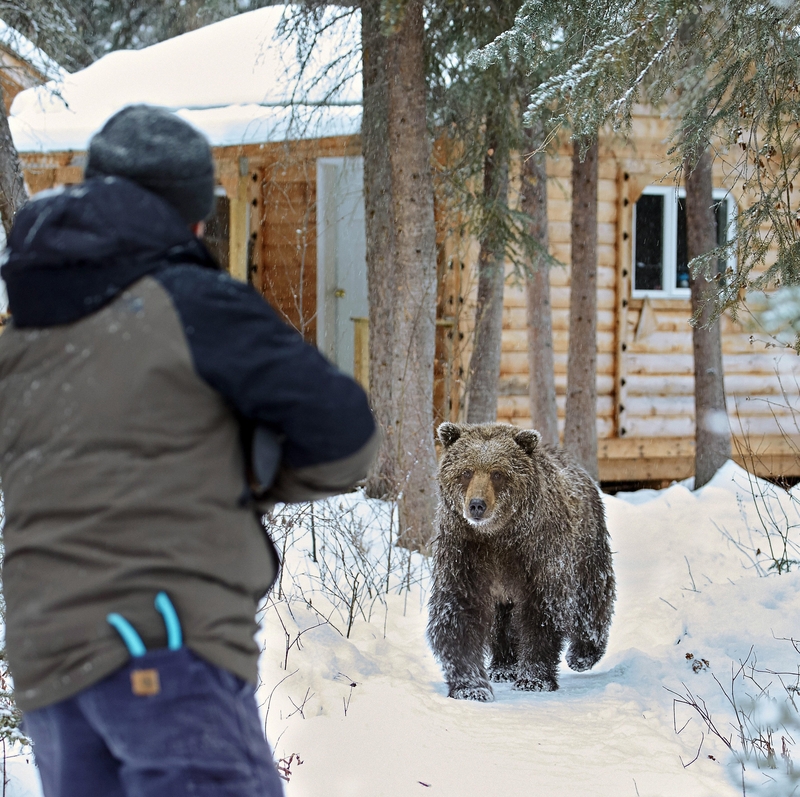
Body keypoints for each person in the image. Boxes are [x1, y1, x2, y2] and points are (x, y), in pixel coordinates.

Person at [0, 104, 378, 797]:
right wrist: (245, 466)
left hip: (45, 653)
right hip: (160, 641)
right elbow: (344, 431)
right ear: (192, 217)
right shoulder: (188, 299)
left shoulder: (26, 321)